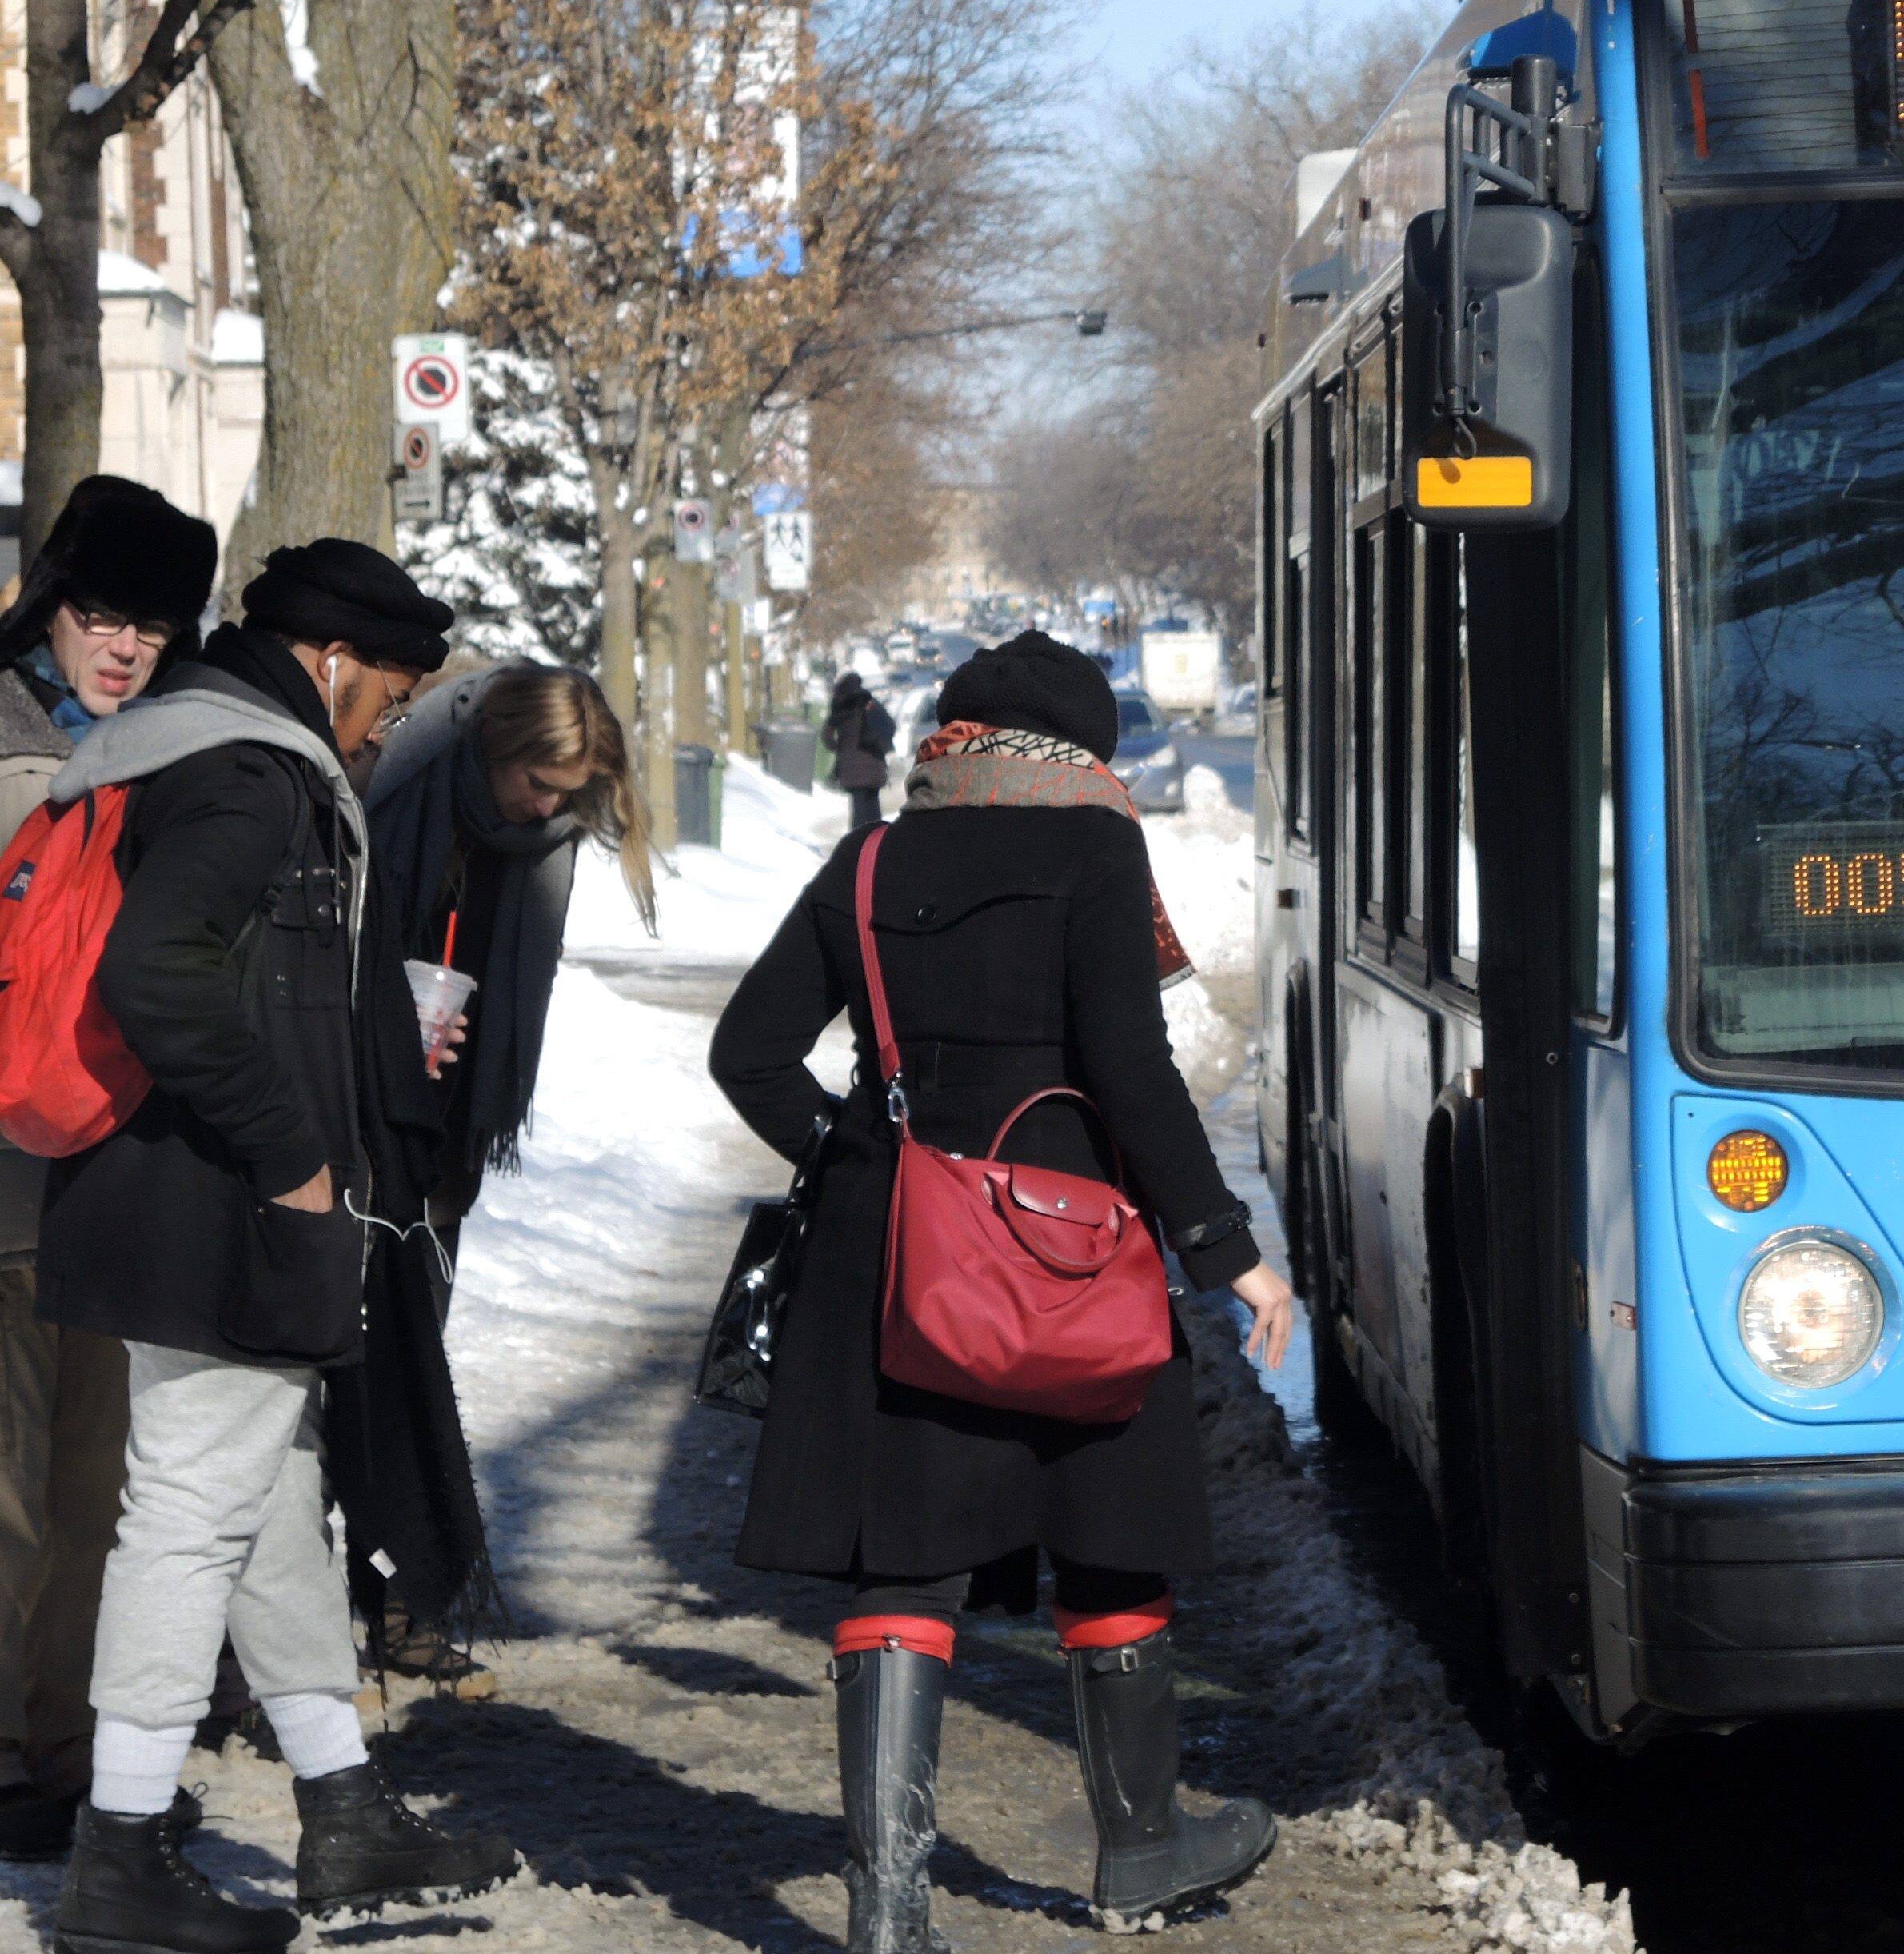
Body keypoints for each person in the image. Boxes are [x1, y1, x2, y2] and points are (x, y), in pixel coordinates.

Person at [710, 629, 1296, 1947]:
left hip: (899, 1254)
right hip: (1074, 1247)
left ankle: (891, 1912)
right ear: (1084, 753)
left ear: (948, 742)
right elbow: (1132, 1074)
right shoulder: (1095, 850)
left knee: (900, 1556)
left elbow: (749, 1052)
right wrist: (1224, 1247)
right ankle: (1143, 1846)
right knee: (1111, 1524)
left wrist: (858, 1155)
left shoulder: (869, 862)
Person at [42, 540, 517, 1952]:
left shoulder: (168, 741)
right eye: (389, 691)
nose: (385, 722)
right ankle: (115, 1860)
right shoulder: (252, 773)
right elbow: (156, 970)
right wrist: (294, 1151)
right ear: (330, 661)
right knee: (191, 1513)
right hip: (215, 1206)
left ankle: (343, 1805)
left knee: (263, 1492)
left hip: (152, 1193)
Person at [348, 662, 653, 1687]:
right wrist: (389, 1027)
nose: (552, 807)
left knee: (413, 1378)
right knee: (332, 1387)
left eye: (570, 792)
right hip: (351, 1133)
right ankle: (287, 1632)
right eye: (541, 782)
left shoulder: (542, 844)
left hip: (444, 1145)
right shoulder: (398, 798)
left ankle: (399, 1601)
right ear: (492, 752)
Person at [0, 479, 216, 1862]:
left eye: (151, 624)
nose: (123, 646)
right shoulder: (21, 743)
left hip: (98, 1182)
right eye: (100, 614)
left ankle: (55, 1749)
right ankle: (23, 1756)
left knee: (87, 1488)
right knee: (21, 1491)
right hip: (10, 1184)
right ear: (50, 605)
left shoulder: (160, 749)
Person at [824, 672, 894, 830]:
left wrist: (841, 748)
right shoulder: (871, 703)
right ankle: (876, 846)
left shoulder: (840, 707)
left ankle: (858, 847)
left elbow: (827, 737)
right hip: (875, 762)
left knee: (859, 812)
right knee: (874, 810)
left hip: (851, 767)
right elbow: (890, 725)